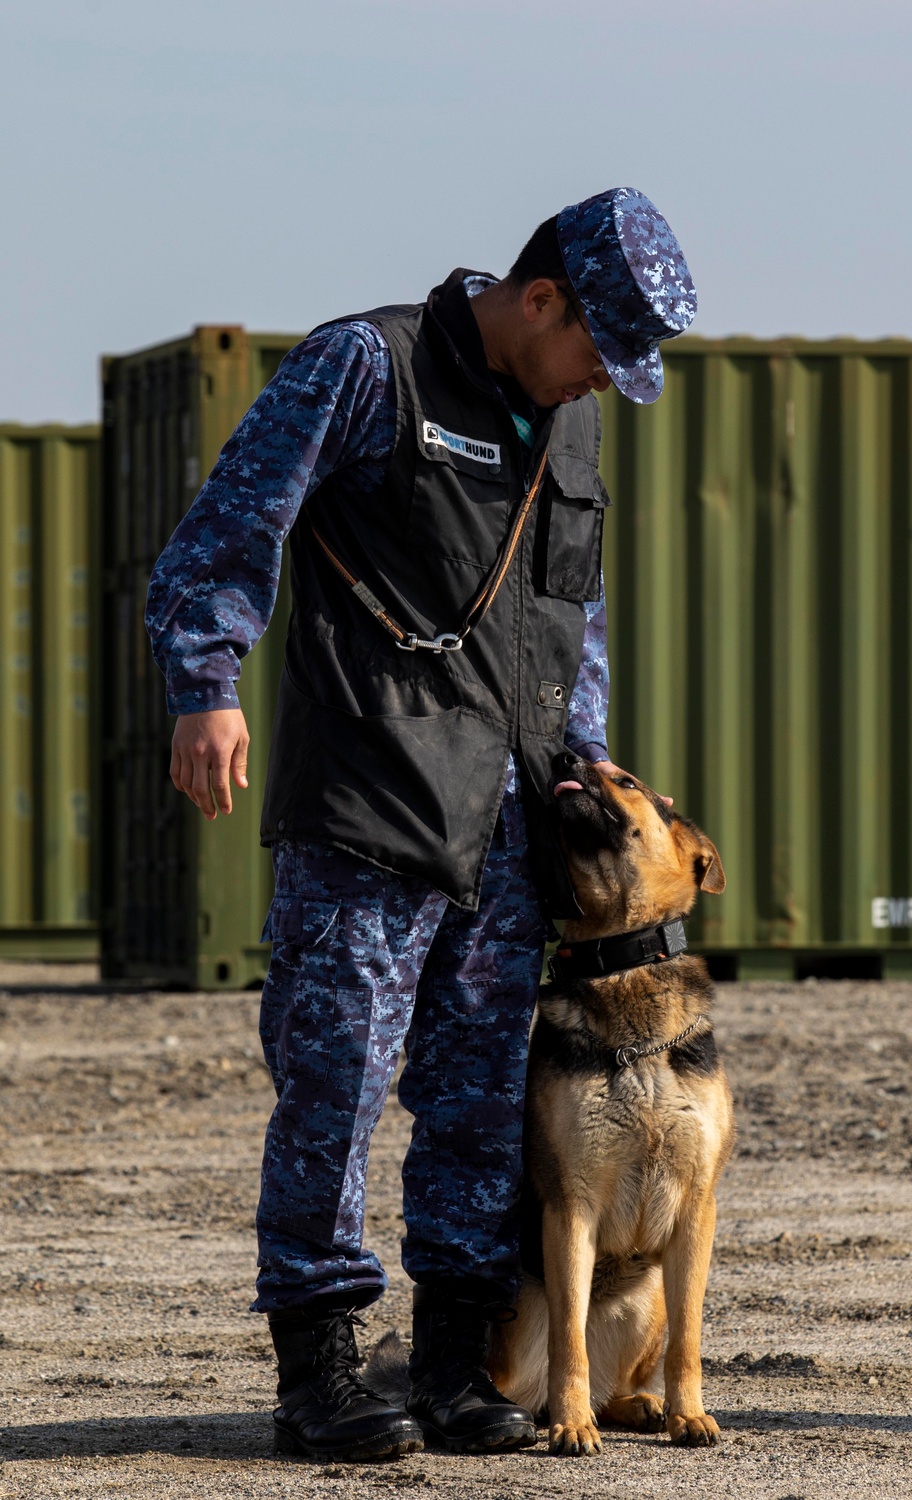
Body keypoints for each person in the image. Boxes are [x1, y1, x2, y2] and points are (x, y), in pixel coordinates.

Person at [145, 186, 696, 1463]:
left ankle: (456, 1366)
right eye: (595, 354)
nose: (601, 385)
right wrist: (204, 687)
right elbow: (234, 523)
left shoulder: (568, 432)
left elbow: (575, 624)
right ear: (539, 297)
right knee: (332, 1092)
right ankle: (323, 1371)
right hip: (370, 804)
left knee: (478, 1104)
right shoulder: (368, 366)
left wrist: (588, 764)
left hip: (512, 837)